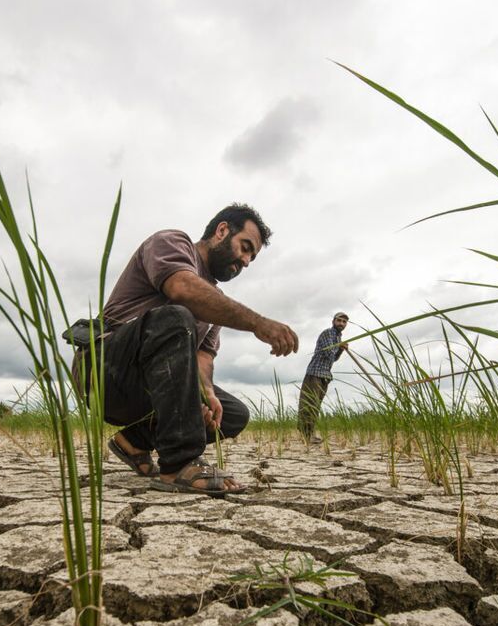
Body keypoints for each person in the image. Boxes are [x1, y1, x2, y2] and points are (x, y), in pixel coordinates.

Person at [92, 204, 299, 496]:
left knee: (233, 414)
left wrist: (205, 397)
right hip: (105, 371)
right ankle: (178, 464)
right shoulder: (172, 242)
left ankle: (134, 442)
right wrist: (257, 323)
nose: (246, 261)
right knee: (176, 316)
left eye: (252, 256)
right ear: (222, 230)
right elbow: (182, 288)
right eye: (245, 247)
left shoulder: (215, 301)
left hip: (152, 386)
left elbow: (202, 359)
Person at [297, 312, 349, 443]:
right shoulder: (328, 333)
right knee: (309, 404)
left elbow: (334, 358)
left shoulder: (337, 337)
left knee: (316, 406)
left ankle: (309, 433)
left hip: (325, 375)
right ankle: (307, 435)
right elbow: (328, 353)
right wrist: (339, 346)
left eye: (344, 322)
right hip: (315, 374)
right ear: (333, 321)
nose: (341, 323)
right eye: (339, 320)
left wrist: (341, 349)